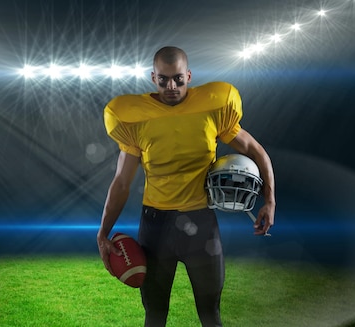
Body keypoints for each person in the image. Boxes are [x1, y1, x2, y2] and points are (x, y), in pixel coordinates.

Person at [96, 46, 276, 327]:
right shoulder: (135, 117)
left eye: (178, 79)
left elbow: (256, 151)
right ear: (152, 77)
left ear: (189, 76)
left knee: (210, 314)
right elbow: (121, 183)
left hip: (201, 222)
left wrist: (270, 201)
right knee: (154, 315)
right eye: (164, 79)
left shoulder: (213, 108)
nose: (171, 86)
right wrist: (103, 233)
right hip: (156, 226)